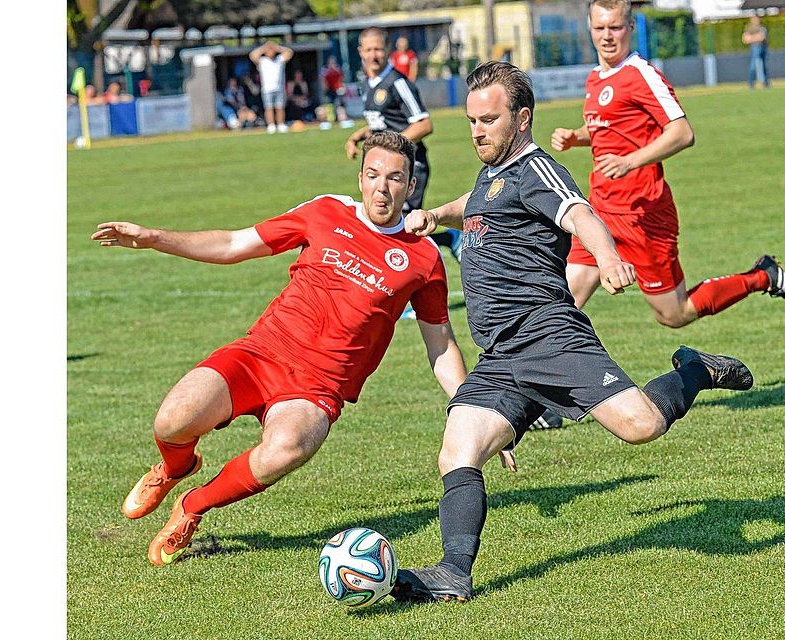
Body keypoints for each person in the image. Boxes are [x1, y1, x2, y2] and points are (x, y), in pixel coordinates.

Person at [391, 61, 755, 603]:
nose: (477, 131)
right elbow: (481, 203)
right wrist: (437, 213)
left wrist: (606, 258)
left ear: (522, 119)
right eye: (471, 121)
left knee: (640, 427)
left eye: (489, 120)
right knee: (457, 449)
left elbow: (581, 214)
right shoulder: (494, 168)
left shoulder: (538, 168)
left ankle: (695, 371)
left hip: (549, 338)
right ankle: (453, 572)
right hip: (502, 353)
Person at [91, 131, 515, 566]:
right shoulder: (324, 211)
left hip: (318, 387)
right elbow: (235, 244)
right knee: (171, 421)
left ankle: (192, 506)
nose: (381, 188)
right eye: (372, 175)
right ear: (360, 177)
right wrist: (154, 237)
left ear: (410, 186)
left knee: (288, 448)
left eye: (394, 178)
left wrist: (474, 410)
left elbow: (440, 346)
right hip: (261, 354)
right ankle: (175, 468)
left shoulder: (423, 257)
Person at [550, 0, 785, 331]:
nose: (607, 36)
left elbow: (682, 133)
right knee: (562, 305)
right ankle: (534, 378)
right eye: (600, 28)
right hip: (600, 211)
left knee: (674, 313)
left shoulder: (641, 75)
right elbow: (609, 130)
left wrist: (631, 161)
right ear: (590, 30)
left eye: (615, 27)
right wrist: (577, 137)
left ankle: (762, 276)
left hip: (644, 214)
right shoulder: (596, 78)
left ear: (630, 29)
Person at [346, 27, 462, 264]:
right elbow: (384, 124)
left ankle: (416, 285)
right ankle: (448, 239)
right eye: (368, 50)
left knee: (403, 228)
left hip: (410, 167)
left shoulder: (397, 83)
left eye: (378, 49)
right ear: (361, 52)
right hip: (387, 171)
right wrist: (358, 136)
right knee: (393, 227)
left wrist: (393, 149)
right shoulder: (369, 83)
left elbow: (423, 124)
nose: (373, 55)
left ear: (387, 49)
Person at [249, 41, 293, 133]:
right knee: (268, 108)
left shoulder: (279, 59)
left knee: (279, 107)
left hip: (279, 88)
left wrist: (278, 47)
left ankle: (280, 124)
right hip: (267, 89)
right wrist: (264, 47)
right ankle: (271, 125)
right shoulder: (263, 61)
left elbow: (289, 52)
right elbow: (252, 55)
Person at [742, 15, 771, 89]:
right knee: (753, 66)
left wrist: (752, 37)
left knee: (764, 66)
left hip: (763, 47)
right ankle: (751, 83)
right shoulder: (748, 28)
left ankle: (766, 83)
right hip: (755, 48)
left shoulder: (762, 28)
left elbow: (761, 37)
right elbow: (745, 39)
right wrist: (756, 37)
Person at [320, 57, 349, 124]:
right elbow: (324, 81)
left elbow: (341, 79)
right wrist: (325, 89)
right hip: (329, 90)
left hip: (337, 90)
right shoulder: (326, 71)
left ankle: (342, 119)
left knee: (339, 105)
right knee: (330, 105)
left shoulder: (337, 70)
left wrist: (342, 87)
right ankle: (331, 120)